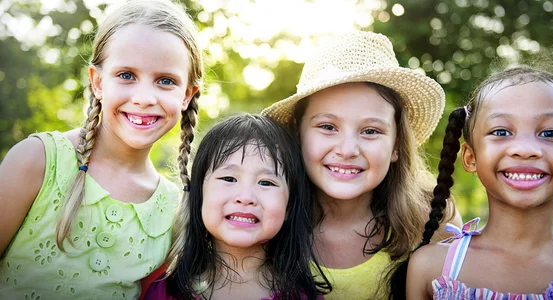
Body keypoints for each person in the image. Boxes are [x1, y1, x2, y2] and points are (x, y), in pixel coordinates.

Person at [0, 0, 202, 298]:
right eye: (126, 75)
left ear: (186, 95)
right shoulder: (37, 160)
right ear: (97, 82)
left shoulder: (173, 210)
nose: (144, 98)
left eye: (165, 80)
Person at [262, 31, 462, 299]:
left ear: (396, 146)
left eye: (370, 131)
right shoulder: (262, 217)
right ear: (298, 134)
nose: (347, 150)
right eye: (327, 127)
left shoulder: (433, 221)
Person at [402, 66, 553, 299]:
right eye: (502, 132)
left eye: (549, 133)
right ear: (470, 157)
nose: (525, 150)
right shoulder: (430, 267)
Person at [144, 114, 329, 299]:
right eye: (228, 179)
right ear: (199, 196)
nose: (245, 197)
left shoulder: (304, 296)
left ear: (290, 205)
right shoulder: (165, 292)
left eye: (266, 183)